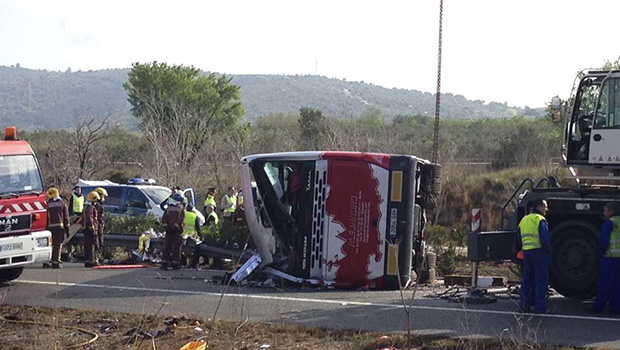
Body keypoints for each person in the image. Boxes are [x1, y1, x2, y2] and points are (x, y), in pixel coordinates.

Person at [518, 198, 551, 314]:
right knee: (541, 280)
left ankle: (523, 305)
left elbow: (518, 239)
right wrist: (549, 251)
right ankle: (540, 307)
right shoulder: (540, 219)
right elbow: (545, 239)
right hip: (539, 252)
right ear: (540, 206)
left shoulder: (524, 220)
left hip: (527, 253)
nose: (547, 209)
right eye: (545, 206)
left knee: (527, 279)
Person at [592, 202, 620, 313]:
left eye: (605, 211)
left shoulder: (609, 223)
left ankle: (599, 307)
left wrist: (600, 254)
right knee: (618, 285)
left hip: (610, 257)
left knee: (605, 283)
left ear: (611, 211)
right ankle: (616, 307)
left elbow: (604, 241)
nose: (604, 213)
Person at [45, 186, 70, 269]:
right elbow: (66, 217)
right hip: (60, 227)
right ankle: (56, 261)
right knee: (58, 245)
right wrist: (67, 228)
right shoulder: (62, 203)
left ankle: (49, 260)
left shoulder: (48, 204)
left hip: (50, 228)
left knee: (50, 245)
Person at [161, 193, 186, 270]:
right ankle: (175, 263)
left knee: (167, 246)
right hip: (177, 231)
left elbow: (164, 218)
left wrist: (166, 226)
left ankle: (164, 263)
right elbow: (181, 219)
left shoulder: (168, 208)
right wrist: (176, 225)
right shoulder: (181, 209)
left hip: (169, 230)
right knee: (176, 247)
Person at [82, 191, 100, 267]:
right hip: (90, 229)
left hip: (86, 229)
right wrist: (93, 229)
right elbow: (90, 219)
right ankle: (92, 260)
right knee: (92, 245)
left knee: (87, 245)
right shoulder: (90, 208)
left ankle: (87, 260)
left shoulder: (86, 207)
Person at [93, 187, 108, 262]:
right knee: (98, 242)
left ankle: (97, 258)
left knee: (99, 242)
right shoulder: (97, 205)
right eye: (103, 196)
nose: (104, 198)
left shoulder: (98, 205)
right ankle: (96, 258)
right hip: (98, 226)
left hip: (99, 225)